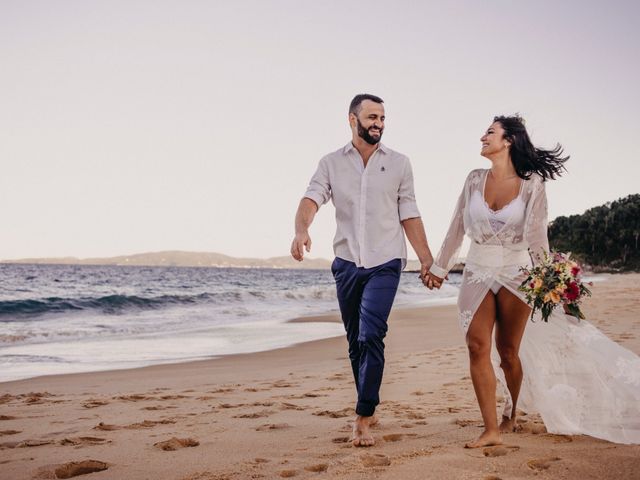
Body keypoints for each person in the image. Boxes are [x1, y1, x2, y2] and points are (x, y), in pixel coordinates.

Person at [425, 115, 640, 447]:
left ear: (508, 140)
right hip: (477, 270)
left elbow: (538, 239)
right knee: (477, 346)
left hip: (517, 274)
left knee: (508, 351)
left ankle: (512, 413)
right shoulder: (473, 179)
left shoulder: (532, 184)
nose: (483, 137)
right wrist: (439, 269)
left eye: (490, 132)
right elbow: (456, 227)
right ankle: (491, 429)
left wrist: (554, 285)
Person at [291, 93, 434, 447]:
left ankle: (363, 416)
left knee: (372, 335)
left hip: (386, 262)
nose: (379, 124)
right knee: (355, 343)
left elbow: (409, 213)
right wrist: (301, 229)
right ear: (352, 119)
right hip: (346, 264)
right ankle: (367, 402)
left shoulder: (400, 163)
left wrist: (426, 259)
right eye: (372, 117)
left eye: (382, 118)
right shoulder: (330, 163)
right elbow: (312, 198)